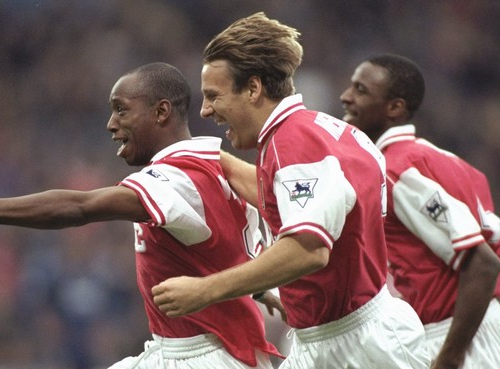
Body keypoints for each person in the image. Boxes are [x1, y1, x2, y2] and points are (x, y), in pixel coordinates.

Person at [0, 62, 283, 369]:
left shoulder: (176, 179)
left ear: (161, 112)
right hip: (199, 349)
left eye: (121, 111)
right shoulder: (213, 163)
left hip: (203, 356)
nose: (111, 125)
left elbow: (79, 207)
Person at [151, 13, 429, 369]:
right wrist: (199, 156)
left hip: (359, 348)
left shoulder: (293, 145)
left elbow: (308, 251)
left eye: (213, 96)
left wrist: (205, 291)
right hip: (338, 333)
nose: (205, 110)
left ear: (253, 89)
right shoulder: (315, 131)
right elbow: (289, 204)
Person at [339, 53, 500, 369]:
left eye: (361, 90)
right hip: (467, 327)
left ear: (395, 108)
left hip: (461, 334)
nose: (346, 96)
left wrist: (450, 356)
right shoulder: (430, 156)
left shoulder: (398, 169)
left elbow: (482, 263)